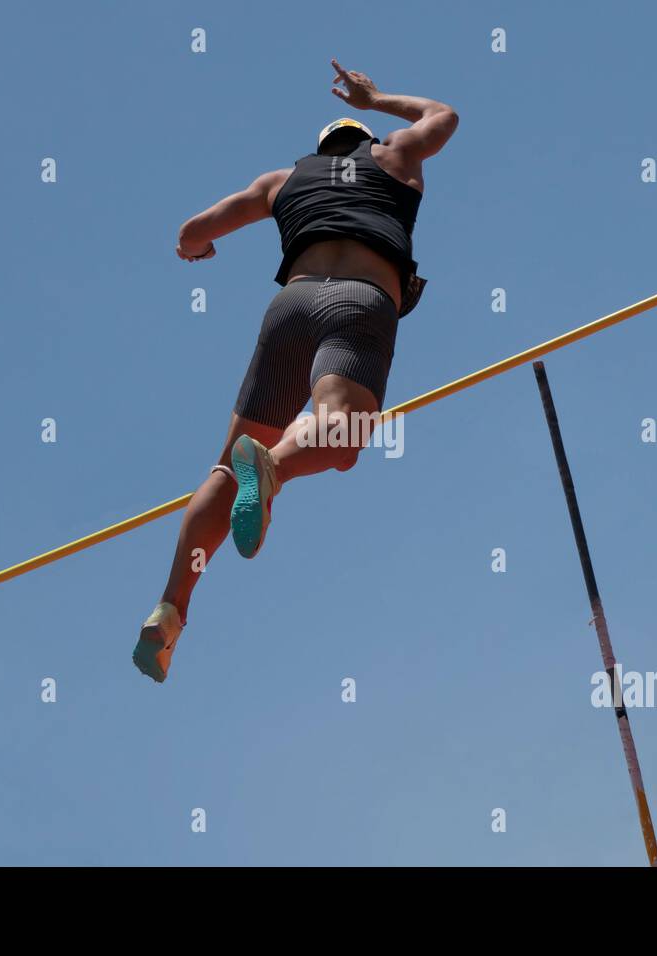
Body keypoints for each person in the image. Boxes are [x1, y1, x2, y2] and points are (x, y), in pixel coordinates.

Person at [134, 59, 458, 682]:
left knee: (228, 464)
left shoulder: (281, 182)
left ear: (319, 151)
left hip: (291, 305)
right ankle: (277, 468)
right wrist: (377, 96)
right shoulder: (394, 157)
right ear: (363, 142)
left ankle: (169, 613)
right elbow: (444, 116)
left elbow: (189, 232)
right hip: (360, 298)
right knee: (341, 435)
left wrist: (197, 249)